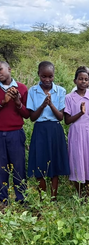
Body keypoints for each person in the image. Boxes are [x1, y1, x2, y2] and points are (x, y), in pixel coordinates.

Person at [27, 61, 70, 201]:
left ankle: (53, 198)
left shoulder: (60, 91)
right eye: (43, 76)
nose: (47, 80)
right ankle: (42, 197)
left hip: (55, 130)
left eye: (50, 76)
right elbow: (32, 118)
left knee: (54, 164)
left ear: (54, 75)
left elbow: (60, 117)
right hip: (40, 130)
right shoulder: (33, 91)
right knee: (40, 162)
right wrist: (42, 105)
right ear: (38, 74)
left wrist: (50, 104)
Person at [65, 68, 89, 197]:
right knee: (78, 158)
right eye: (80, 79)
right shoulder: (69, 98)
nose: (83, 81)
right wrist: (80, 113)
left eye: (86, 79)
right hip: (76, 131)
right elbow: (67, 120)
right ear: (75, 80)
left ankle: (88, 193)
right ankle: (79, 192)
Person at [0, 61, 29, 209]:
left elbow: (27, 114)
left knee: (19, 168)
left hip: (16, 133)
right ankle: (2, 201)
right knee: (1, 169)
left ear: (9, 69)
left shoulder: (22, 88)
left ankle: (22, 200)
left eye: (1, 70)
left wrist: (17, 102)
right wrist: (4, 102)